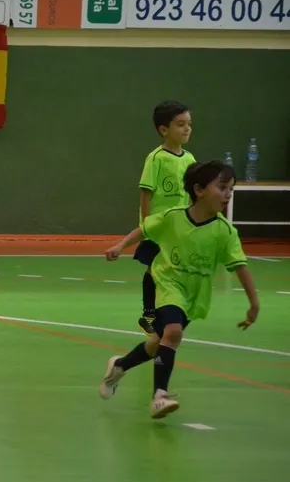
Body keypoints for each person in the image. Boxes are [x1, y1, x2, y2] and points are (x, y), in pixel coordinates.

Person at [99, 160, 259, 419]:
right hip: (166, 283)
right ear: (199, 190)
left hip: (193, 296)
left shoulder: (225, 232)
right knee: (173, 333)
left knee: (158, 343)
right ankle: (159, 396)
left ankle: (119, 366)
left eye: (231, 189)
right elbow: (144, 229)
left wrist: (254, 302)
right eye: (222, 187)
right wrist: (120, 246)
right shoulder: (173, 217)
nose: (228, 194)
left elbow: (240, 266)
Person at [134, 100, 196, 334]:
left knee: (174, 271)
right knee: (155, 269)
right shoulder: (156, 158)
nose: (187, 129)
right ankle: (148, 314)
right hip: (159, 228)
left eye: (189, 124)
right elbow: (146, 193)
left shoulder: (189, 160)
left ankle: (167, 312)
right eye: (180, 124)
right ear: (163, 130)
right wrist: (147, 224)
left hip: (180, 229)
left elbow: (193, 194)